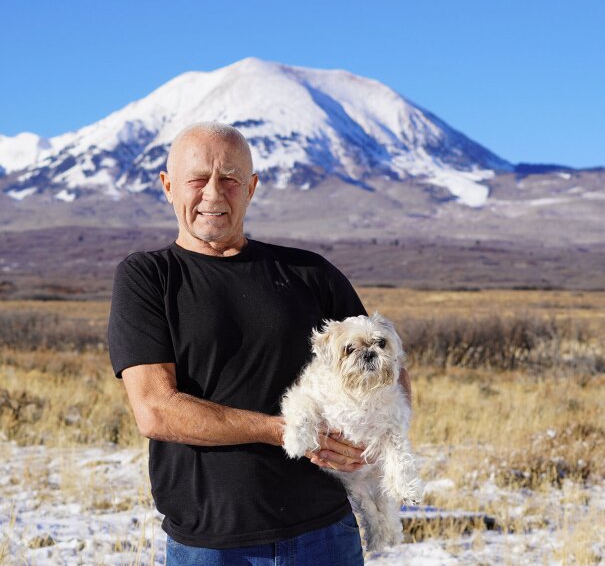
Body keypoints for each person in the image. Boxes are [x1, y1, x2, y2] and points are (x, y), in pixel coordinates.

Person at [108, 122, 412, 565]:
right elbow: (155, 409)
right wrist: (286, 432)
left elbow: (389, 363)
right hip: (211, 543)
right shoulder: (149, 278)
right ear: (168, 186)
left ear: (251, 188)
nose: (214, 192)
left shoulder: (312, 274)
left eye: (230, 178)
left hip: (325, 532)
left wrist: (379, 439)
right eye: (197, 178)